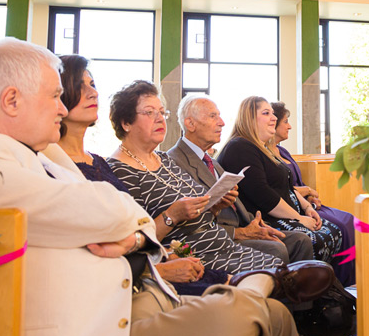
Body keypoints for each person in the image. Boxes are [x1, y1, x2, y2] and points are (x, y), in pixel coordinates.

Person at [0, 38, 318, 336]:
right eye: (55, 96)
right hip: (91, 327)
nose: (62, 106)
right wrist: (135, 232)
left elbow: (121, 212)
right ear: (12, 101)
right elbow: (113, 210)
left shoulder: (42, 155)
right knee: (248, 312)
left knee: (278, 316)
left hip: (136, 289)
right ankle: (261, 283)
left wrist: (131, 233)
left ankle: (261, 283)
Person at [46, 55, 229, 294]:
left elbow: (135, 229)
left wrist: (165, 252)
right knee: (256, 298)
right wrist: (157, 263)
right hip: (133, 278)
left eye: (93, 85)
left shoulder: (99, 162)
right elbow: (101, 245)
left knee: (257, 286)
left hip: (164, 257)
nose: (93, 93)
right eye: (80, 86)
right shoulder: (57, 165)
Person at [106, 81, 285, 274]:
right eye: (150, 112)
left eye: (162, 113)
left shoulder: (165, 160)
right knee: (277, 275)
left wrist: (215, 207)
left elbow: (198, 214)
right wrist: (172, 216)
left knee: (284, 270)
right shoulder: (119, 170)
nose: (160, 119)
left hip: (222, 246)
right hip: (193, 257)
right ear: (126, 123)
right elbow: (134, 241)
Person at [167, 93, 315, 265]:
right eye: (213, 116)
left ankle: (308, 290)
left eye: (220, 116)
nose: (222, 122)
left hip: (243, 226)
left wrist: (257, 225)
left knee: (300, 241)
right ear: (190, 123)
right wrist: (241, 232)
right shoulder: (174, 162)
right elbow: (189, 225)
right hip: (216, 239)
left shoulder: (212, 163)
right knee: (278, 248)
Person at [218, 97, 344, 264]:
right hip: (265, 219)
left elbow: (288, 186)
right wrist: (299, 218)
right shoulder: (240, 147)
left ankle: (321, 284)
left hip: (286, 214)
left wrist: (307, 208)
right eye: (266, 113)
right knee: (316, 238)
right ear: (250, 118)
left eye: (273, 113)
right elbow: (263, 195)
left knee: (335, 231)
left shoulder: (262, 148)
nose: (274, 117)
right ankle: (308, 285)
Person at [268, 101, 356, 286]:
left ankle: (348, 281)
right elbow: (281, 188)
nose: (289, 126)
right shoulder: (266, 153)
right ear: (273, 125)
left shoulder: (282, 151)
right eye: (285, 121)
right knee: (340, 224)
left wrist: (309, 199)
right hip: (292, 208)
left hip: (305, 203)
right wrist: (306, 191)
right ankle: (336, 281)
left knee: (349, 219)